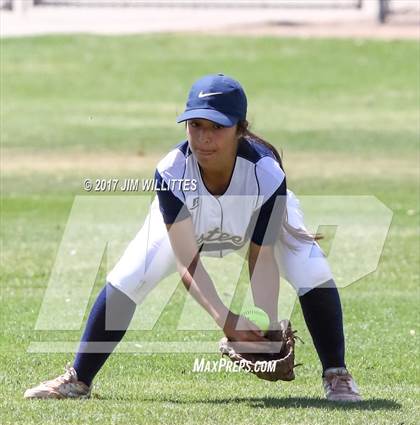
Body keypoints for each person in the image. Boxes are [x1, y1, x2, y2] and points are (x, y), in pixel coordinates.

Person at [24, 73, 361, 402]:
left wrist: (266, 325)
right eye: (196, 125)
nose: (204, 138)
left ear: (240, 129)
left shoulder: (266, 174)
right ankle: (78, 379)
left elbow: (261, 257)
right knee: (131, 274)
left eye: (217, 127)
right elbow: (187, 260)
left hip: (252, 222)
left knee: (312, 268)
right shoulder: (172, 171)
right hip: (190, 221)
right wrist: (228, 322)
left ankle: (337, 375)